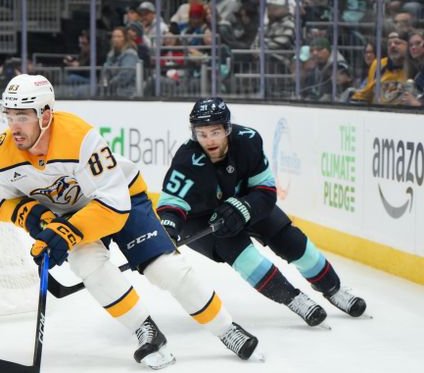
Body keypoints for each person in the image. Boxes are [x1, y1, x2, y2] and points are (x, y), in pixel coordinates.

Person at [0, 74, 261, 370]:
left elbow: (113, 206)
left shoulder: (79, 137)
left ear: (46, 115)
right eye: (10, 115)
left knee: (165, 269)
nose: (14, 125)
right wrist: (37, 218)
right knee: (87, 265)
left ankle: (226, 329)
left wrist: (66, 233)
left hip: (121, 199)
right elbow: (3, 202)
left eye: (23, 116)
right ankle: (147, 331)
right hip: (71, 215)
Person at [157, 98, 367, 327]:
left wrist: (245, 208)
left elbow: (266, 191)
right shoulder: (187, 159)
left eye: (215, 132)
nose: (209, 140)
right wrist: (168, 229)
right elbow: (172, 203)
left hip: (247, 202)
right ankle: (293, 299)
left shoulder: (248, 141)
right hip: (202, 220)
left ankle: (333, 288)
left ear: (227, 128)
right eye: (202, 134)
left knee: (293, 241)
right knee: (246, 257)